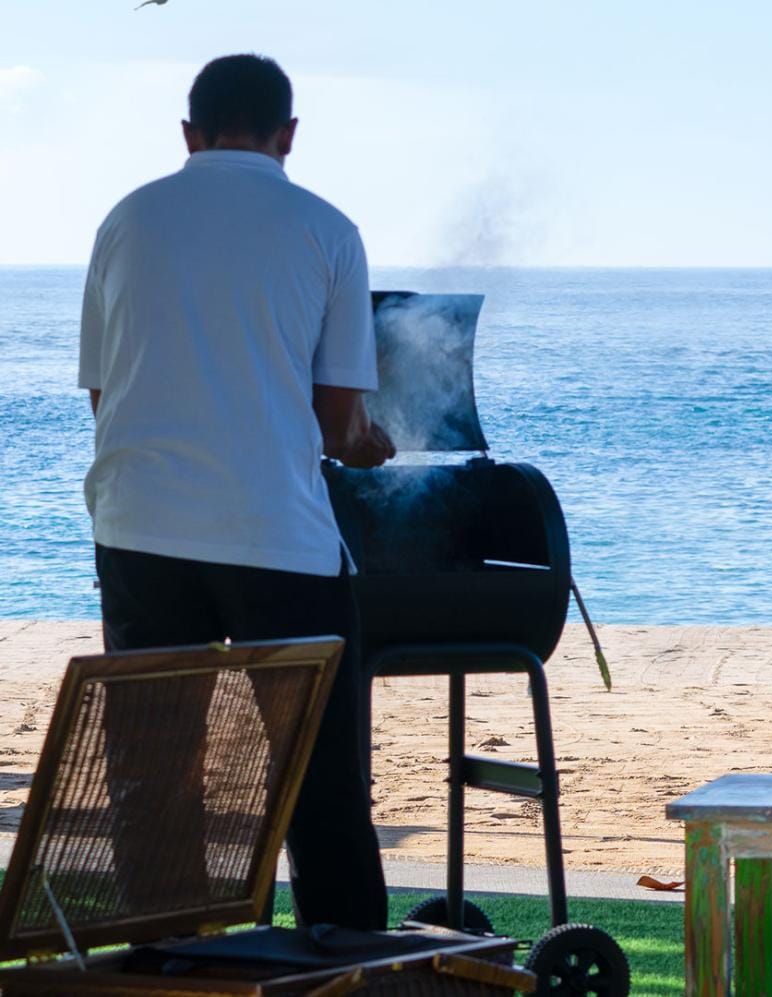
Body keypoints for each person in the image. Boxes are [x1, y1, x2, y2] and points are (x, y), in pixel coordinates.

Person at [79, 53, 393, 929]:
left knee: (151, 768)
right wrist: (372, 445)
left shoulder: (126, 220)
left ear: (190, 133)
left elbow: (108, 398)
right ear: (288, 135)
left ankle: (166, 954)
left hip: (138, 529)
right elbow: (338, 429)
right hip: (275, 536)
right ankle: (341, 960)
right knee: (319, 774)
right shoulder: (327, 229)